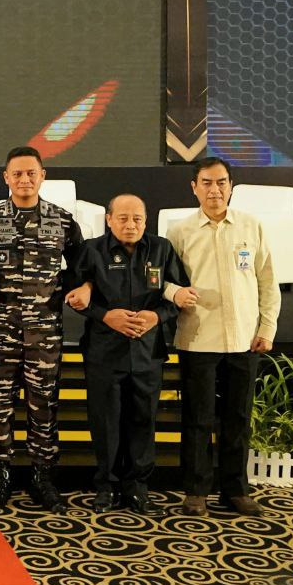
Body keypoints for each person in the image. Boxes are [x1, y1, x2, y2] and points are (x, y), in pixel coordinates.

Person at [0, 145, 83, 513]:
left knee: (44, 406)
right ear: (6, 177)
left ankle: (42, 476)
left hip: (45, 335)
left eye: (31, 173)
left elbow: (81, 269)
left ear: (43, 176)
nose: (24, 179)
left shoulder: (63, 222)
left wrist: (81, 289)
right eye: (17, 173)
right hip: (0, 333)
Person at [166, 157, 280, 518]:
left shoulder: (251, 225)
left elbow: (267, 281)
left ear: (231, 186)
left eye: (221, 182)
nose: (214, 190)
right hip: (198, 338)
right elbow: (162, 279)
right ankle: (196, 492)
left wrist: (267, 328)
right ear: (194, 187)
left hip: (244, 339)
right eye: (207, 182)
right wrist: (174, 293)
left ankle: (236, 490)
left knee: (238, 418)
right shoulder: (179, 231)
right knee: (197, 419)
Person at [65, 194, 189, 516]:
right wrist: (104, 315)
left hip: (148, 352)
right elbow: (73, 294)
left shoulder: (161, 249)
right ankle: (106, 486)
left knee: (143, 421)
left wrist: (157, 317)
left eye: (137, 218)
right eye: (123, 218)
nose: (130, 224)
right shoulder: (92, 250)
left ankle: (137, 488)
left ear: (146, 221)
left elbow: (178, 295)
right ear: (109, 219)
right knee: (105, 422)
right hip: (104, 351)